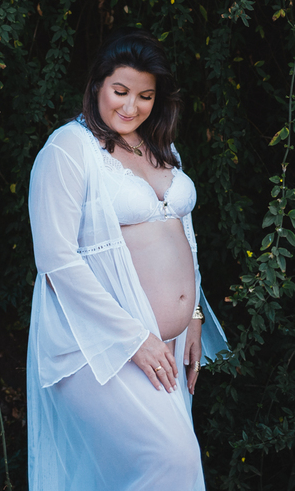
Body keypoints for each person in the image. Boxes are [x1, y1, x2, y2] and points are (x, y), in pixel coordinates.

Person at [26, 28, 228, 490]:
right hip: (100, 343)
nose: (131, 107)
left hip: (164, 345)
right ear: (97, 84)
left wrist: (194, 315)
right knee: (173, 461)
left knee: (164, 470)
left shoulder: (160, 147)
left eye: (145, 96)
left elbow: (185, 234)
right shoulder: (68, 148)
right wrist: (133, 338)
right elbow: (55, 259)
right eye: (120, 91)